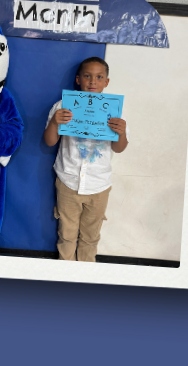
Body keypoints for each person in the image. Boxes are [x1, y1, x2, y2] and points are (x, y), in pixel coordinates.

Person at [43, 57, 128, 261]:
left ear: (106, 82)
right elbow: (49, 142)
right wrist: (55, 123)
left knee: (91, 236)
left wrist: (122, 133)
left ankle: (86, 275)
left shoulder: (114, 111)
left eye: (99, 77)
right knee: (67, 234)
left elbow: (119, 148)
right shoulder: (62, 107)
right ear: (78, 79)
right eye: (87, 76)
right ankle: (67, 272)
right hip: (68, 182)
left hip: (99, 185)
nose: (92, 81)